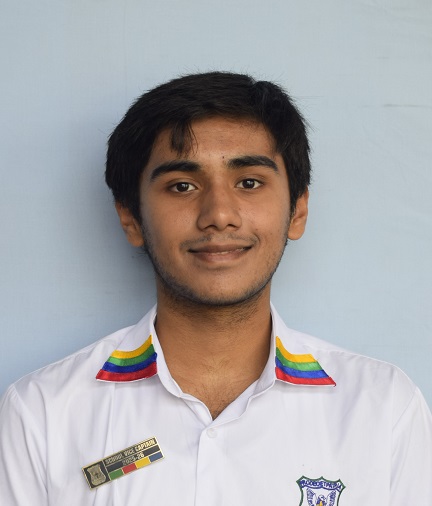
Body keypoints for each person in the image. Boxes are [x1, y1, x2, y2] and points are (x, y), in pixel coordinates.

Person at [0, 71, 431, 505]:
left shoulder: (382, 407)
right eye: (182, 186)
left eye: (249, 182)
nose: (219, 214)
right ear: (131, 218)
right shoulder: (42, 413)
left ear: (298, 210)